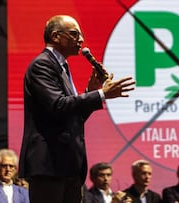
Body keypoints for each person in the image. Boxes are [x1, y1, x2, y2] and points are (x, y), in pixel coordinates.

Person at [18, 14, 135, 203]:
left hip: (67, 164)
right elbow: (58, 105)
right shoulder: (42, 65)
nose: (81, 40)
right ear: (56, 36)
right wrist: (102, 95)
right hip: (49, 164)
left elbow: (72, 116)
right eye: (74, 34)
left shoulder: (62, 67)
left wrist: (92, 90)